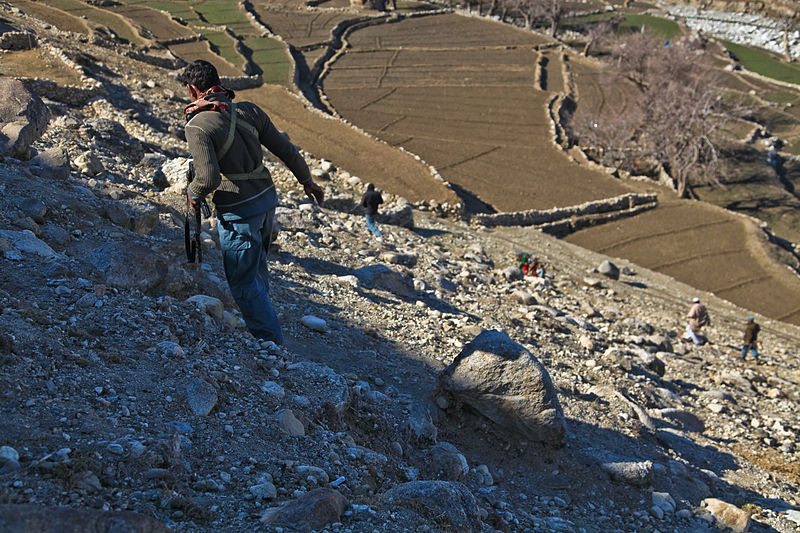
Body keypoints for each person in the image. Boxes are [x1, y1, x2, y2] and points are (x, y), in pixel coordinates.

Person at [179, 60, 324, 345]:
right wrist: (307, 181)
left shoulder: (198, 126)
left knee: (243, 282)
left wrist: (192, 194)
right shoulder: (249, 111)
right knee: (256, 269)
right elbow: (285, 149)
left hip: (239, 210)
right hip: (267, 200)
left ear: (193, 89)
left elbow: (207, 179)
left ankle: (271, 346)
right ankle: (266, 321)